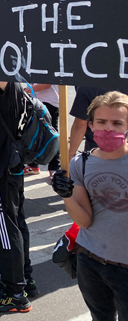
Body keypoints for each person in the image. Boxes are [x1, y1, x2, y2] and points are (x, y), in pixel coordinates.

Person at [52, 91, 128, 321]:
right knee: (100, 316)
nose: (108, 129)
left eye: (117, 123)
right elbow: (84, 220)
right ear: (91, 126)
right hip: (89, 261)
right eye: (101, 122)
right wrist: (65, 195)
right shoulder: (81, 164)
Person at [0, 81, 36, 313]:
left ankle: (15, 293)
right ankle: (22, 278)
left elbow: (3, 66)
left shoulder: (9, 87)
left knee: (4, 229)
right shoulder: (5, 90)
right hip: (5, 168)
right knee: (14, 223)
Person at [23, 84, 59, 176]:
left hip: (50, 102)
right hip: (35, 101)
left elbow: (46, 85)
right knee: (33, 133)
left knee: (51, 134)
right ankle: (33, 164)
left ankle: (54, 168)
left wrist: (26, 90)